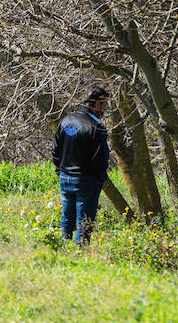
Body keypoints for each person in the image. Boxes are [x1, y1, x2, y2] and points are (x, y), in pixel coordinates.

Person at [52, 86, 111, 245]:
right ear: (97, 104)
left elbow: (55, 151)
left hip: (65, 178)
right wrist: (100, 177)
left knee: (66, 217)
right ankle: (80, 256)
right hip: (86, 180)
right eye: (104, 103)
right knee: (84, 221)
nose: (105, 108)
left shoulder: (65, 121)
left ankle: (63, 249)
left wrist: (60, 170)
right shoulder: (96, 127)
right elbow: (101, 158)